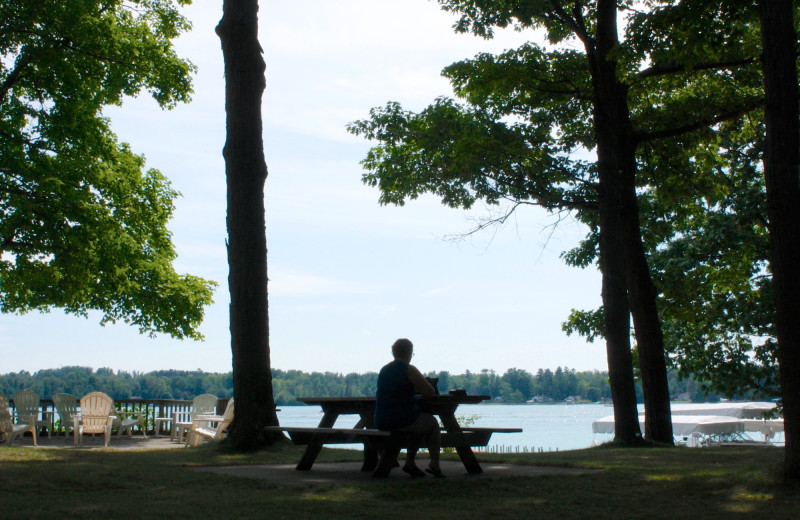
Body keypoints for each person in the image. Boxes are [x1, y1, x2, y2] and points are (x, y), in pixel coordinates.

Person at [374, 338, 443, 477]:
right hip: (401, 420)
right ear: (409, 353)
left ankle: (411, 463)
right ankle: (434, 464)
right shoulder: (409, 369)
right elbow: (429, 392)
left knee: (418, 421)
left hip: (381, 420)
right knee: (432, 423)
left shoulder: (384, 370)